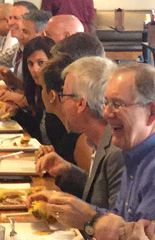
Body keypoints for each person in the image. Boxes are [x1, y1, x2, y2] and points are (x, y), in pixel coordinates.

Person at [32, 63, 155, 240]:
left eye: (117, 104)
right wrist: (67, 205)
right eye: (106, 103)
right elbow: (119, 218)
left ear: (152, 113)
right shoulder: (135, 152)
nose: (106, 113)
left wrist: (91, 220)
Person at [35, 56, 122, 211]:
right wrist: (68, 170)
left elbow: (117, 223)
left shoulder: (117, 150)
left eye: (64, 95)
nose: (61, 102)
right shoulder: (99, 140)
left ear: (81, 103)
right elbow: (98, 194)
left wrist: (74, 208)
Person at [4, 36, 54, 141]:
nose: (35, 70)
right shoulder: (38, 88)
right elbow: (38, 130)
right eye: (30, 64)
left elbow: (52, 138)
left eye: (41, 63)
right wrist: (17, 113)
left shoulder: (57, 94)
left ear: (52, 62)